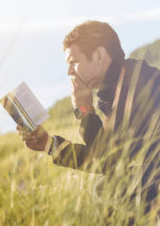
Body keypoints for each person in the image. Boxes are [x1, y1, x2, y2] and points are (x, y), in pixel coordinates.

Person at [17, 20, 160, 224]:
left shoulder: (134, 88)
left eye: (73, 61)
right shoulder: (120, 86)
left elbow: (110, 165)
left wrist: (84, 111)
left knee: (104, 188)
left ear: (99, 55)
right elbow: (108, 157)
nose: (69, 71)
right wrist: (49, 144)